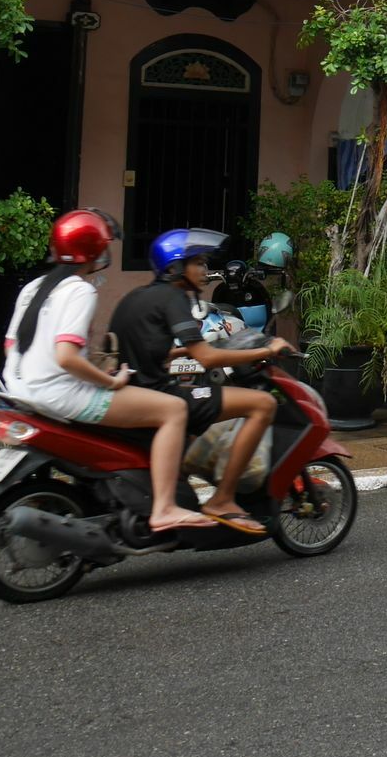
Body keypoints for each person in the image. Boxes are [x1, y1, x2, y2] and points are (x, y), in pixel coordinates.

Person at [0, 210, 215, 535]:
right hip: (62, 394)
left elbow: (11, 345)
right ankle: (165, 508)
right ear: (94, 249)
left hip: (20, 391)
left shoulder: (34, 287)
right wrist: (110, 380)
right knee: (174, 409)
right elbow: (67, 357)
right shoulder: (79, 290)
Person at [110, 228, 294, 537]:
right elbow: (206, 358)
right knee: (262, 403)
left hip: (135, 392)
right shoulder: (173, 298)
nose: (204, 270)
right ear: (176, 267)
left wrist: (187, 349)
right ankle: (222, 499)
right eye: (197, 263)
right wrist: (268, 349)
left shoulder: (138, 297)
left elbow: (157, 349)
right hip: (160, 395)